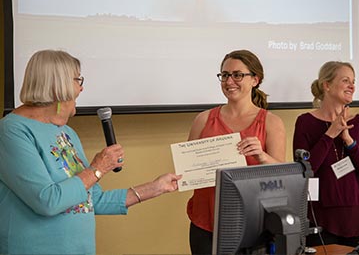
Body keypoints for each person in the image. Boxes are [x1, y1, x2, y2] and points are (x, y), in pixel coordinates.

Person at [0, 49, 182, 254]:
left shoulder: (66, 132)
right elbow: (47, 201)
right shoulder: (12, 131)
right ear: (58, 84)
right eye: (78, 80)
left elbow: (94, 199)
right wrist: (98, 168)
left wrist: (156, 187)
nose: (82, 88)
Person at [186, 49, 286, 254]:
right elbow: (188, 170)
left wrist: (262, 156)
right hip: (206, 225)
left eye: (237, 75)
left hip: (253, 227)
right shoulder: (203, 119)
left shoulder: (271, 122)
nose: (229, 81)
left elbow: (283, 178)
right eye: (224, 75)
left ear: (255, 80)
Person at [293, 61, 359, 247]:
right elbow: (304, 171)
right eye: (345, 80)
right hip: (323, 221)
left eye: (353, 81)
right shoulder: (305, 122)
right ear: (327, 85)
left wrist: (349, 141)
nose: (352, 86)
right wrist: (330, 134)